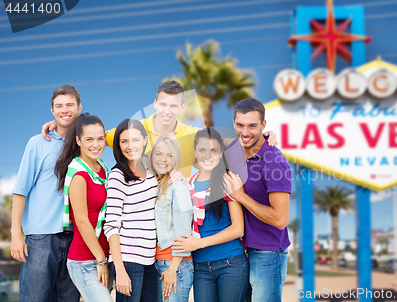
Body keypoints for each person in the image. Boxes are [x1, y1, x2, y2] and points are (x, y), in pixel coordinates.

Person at [42, 81, 278, 177]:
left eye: (173, 106)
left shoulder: (190, 135)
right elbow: (90, 136)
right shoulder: (132, 130)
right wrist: (62, 125)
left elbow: (226, 143)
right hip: (140, 218)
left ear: (182, 107)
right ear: (155, 104)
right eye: (163, 104)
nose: (167, 110)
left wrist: (262, 139)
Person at [11, 84, 82, 302]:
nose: (64, 110)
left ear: (79, 108)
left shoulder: (85, 143)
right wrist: (16, 234)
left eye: (70, 105)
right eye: (59, 106)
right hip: (41, 239)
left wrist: (69, 127)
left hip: (75, 239)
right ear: (52, 110)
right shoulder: (37, 143)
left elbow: (109, 134)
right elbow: (21, 191)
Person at [223, 98, 292, 302]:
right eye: (240, 125)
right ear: (233, 123)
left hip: (267, 253)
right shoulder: (231, 153)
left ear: (263, 125)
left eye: (253, 126)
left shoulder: (275, 161)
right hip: (237, 251)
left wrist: (241, 196)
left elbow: (280, 219)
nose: (245, 132)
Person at [172, 127, 248, 302]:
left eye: (214, 150)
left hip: (231, 263)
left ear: (221, 153)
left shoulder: (228, 181)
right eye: (202, 150)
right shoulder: (186, 184)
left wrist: (199, 243)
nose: (208, 156)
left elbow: (238, 229)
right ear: (195, 153)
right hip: (200, 267)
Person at [54, 113, 112, 302]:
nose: (96, 145)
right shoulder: (79, 174)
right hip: (86, 261)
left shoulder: (102, 167)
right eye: (89, 139)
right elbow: (81, 221)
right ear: (78, 140)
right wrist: (101, 260)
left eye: (100, 139)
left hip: (105, 257)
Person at [103, 119, 158, 302]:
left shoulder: (152, 167)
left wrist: (178, 174)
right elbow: (111, 225)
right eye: (123, 141)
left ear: (144, 140)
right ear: (118, 144)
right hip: (128, 258)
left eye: (135, 140)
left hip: (151, 258)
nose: (129, 146)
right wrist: (119, 269)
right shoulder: (118, 176)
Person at [147, 135, 193, 302]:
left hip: (175, 265)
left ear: (176, 159)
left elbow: (184, 233)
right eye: (158, 154)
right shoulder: (156, 184)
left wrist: (173, 268)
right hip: (158, 262)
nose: (163, 159)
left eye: (170, 155)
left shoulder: (178, 186)